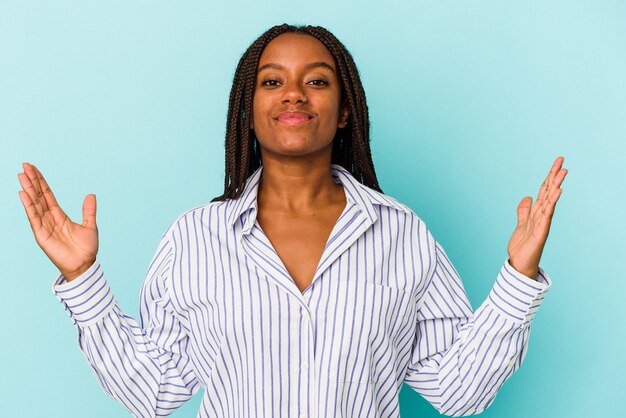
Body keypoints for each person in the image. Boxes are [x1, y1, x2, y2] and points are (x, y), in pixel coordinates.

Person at [18, 24, 567, 418]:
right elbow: (156, 391)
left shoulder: (402, 234)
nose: (295, 95)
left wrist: (517, 279)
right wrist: (82, 279)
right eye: (272, 81)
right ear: (249, 108)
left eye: (318, 81)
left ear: (345, 108)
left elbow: (457, 391)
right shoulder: (194, 239)